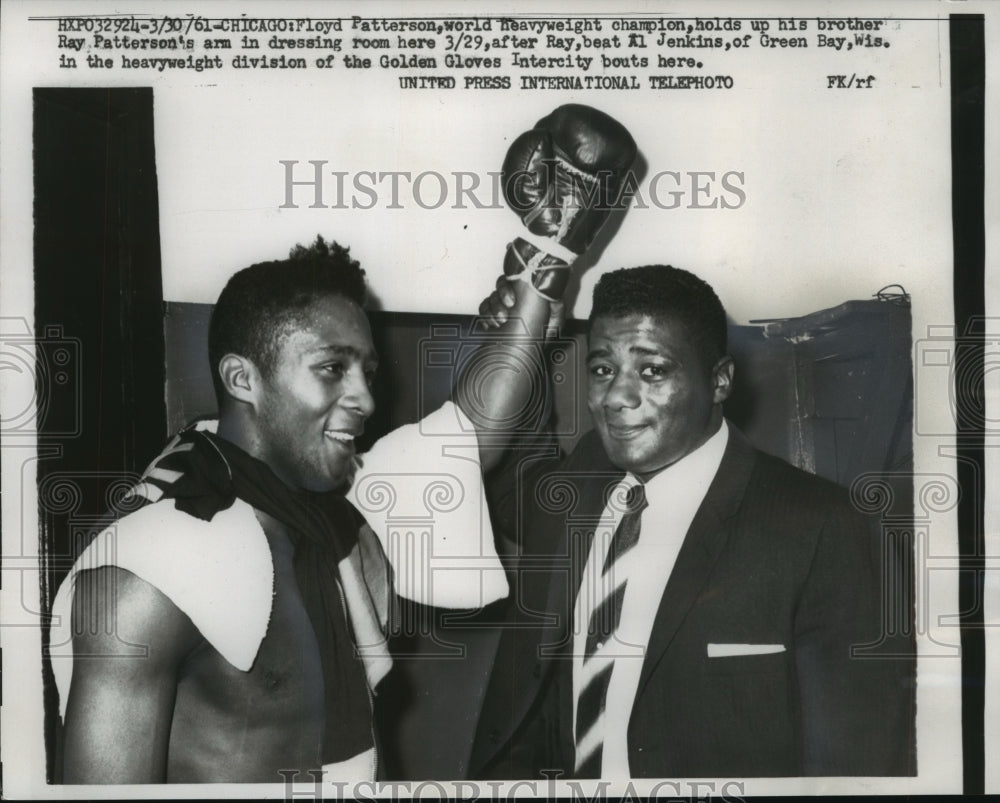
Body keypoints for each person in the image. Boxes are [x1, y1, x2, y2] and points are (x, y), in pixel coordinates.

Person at [48, 237, 515, 783]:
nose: (364, 399)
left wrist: (539, 268)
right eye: (332, 368)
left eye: (368, 372)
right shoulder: (147, 570)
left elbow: (469, 437)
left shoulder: (337, 509)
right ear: (243, 378)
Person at [468, 265, 915, 778]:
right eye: (601, 369)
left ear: (720, 380)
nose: (617, 397)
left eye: (652, 370)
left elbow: (857, 768)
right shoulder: (587, 477)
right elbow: (509, 469)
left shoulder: (826, 527)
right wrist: (515, 343)